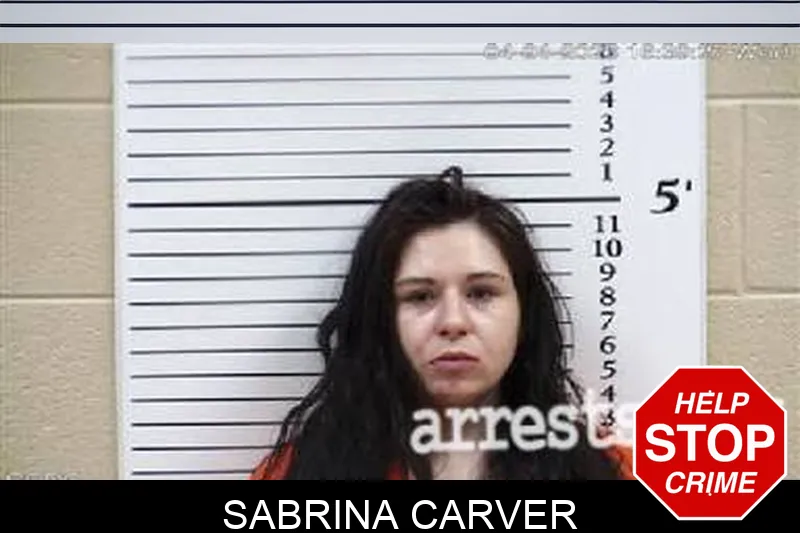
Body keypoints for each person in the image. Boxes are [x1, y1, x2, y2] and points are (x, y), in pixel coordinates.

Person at [251, 166, 633, 480]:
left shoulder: (608, 470)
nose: (453, 322)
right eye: (420, 296)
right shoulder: (297, 474)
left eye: (481, 293)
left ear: (524, 313)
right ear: (380, 318)